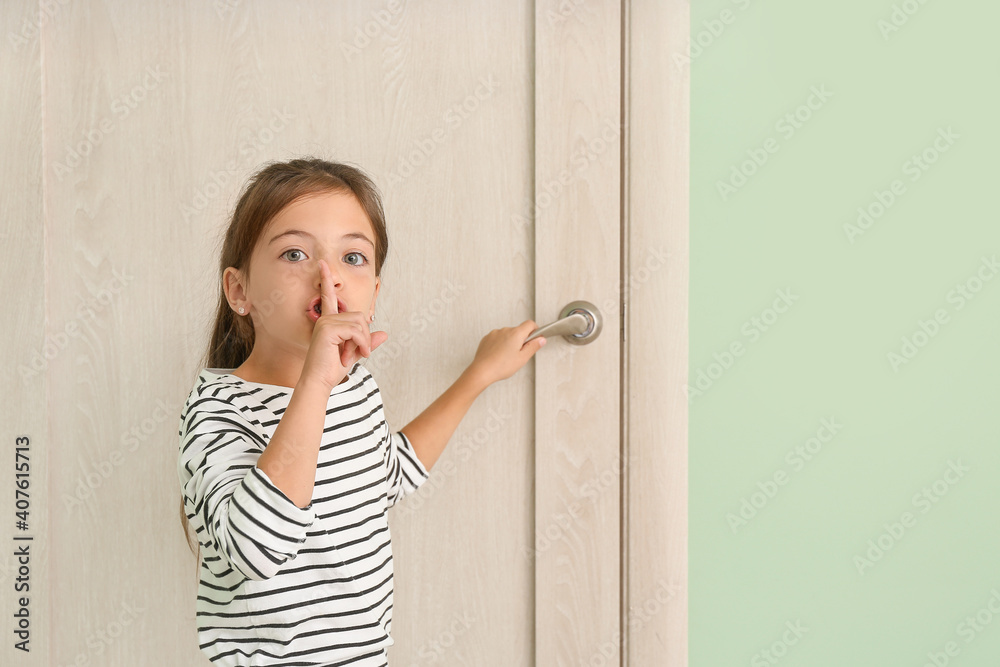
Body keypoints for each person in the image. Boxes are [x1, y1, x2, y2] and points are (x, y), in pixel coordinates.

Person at [176, 157, 546, 665]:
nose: (327, 277)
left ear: (373, 293)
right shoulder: (218, 409)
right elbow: (255, 549)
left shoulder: (354, 387)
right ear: (239, 291)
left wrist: (479, 374)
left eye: (353, 258)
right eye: (294, 253)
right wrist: (315, 383)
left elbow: (385, 477)